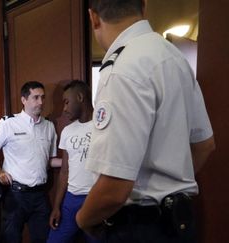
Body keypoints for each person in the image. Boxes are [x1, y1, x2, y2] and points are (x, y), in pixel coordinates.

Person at [75, 0, 215, 242]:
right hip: (178, 224)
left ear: (93, 17)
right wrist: (169, 184)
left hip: (138, 227)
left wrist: (83, 220)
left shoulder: (120, 67)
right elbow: (204, 145)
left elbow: (114, 189)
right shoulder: (175, 58)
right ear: (144, 6)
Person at [0, 81, 58, 243]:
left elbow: (50, 160)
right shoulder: (8, 123)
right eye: (36, 97)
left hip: (40, 196)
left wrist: (73, 161)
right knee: (11, 239)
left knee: (42, 239)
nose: (41, 102)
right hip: (15, 195)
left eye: (43, 97)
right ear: (24, 100)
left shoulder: (49, 127)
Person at [47, 80, 100, 243]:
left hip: (95, 198)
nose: (64, 108)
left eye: (66, 102)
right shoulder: (67, 131)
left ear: (80, 97)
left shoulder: (102, 126)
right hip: (71, 199)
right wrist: (57, 207)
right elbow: (64, 171)